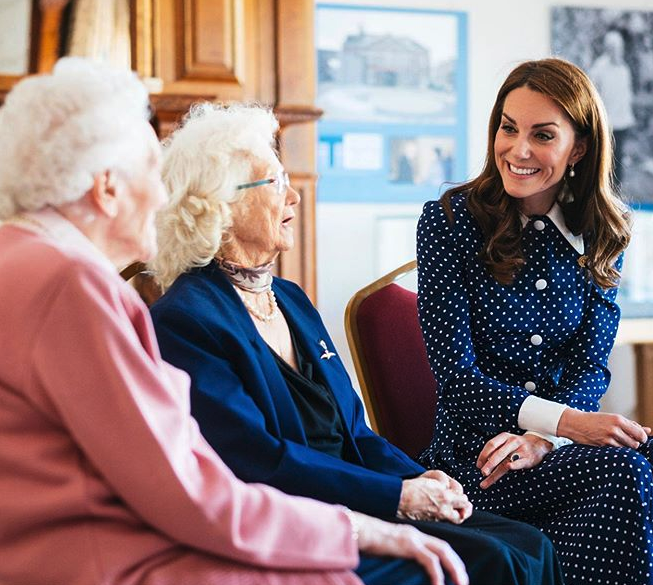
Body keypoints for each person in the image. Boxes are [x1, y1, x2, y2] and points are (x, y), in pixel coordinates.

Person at [0, 58, 470, 585]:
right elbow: (185, 490)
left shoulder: (17, 258)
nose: (163, 200)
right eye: (151, 175)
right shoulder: (76, 285)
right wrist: (357, 530)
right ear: (107, 187)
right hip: (103, 556)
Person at [148, 102, 565, 585]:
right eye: (275, 183)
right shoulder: (185, 320)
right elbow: (258, 461)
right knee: (491, 561)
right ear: (220, 204)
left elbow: (357, 433)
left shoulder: (290, 299)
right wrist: (398, 497)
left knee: (528, 544)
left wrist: (419, 479)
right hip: (305, 518)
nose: (294, 198)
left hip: (364, 493)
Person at [416, 57, 653, 585]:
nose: (518, 150)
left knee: (638, 458)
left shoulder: (601, 233)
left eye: (542, 134)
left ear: (580, 147)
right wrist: (567, 424)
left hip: (551, 453)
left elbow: (591, 365)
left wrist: (550, 439)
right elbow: (458, 381)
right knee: (626, 471)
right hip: (477, 459)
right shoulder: (448, 222)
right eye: (508, 127)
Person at [589, 29, 635, 187]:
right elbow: (592, 97)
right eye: (613, 46)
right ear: (608, 47)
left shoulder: (624, 68)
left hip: (622, 122)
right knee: (604, 160)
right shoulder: (599, 68)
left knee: (619, 158)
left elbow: (626, 95)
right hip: (606, 123)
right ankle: (603, 191)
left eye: (619, 47)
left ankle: (616, 194)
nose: (616, 50)